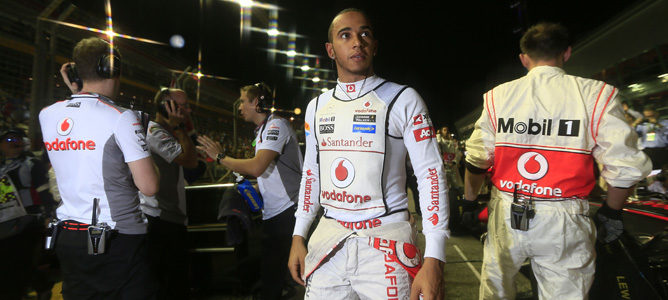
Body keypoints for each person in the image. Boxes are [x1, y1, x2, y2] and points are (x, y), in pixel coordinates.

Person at [464, 23, 652, 299]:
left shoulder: (497, 97)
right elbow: (627, 167)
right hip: (566, 217)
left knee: (496, 290)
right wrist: (611, 213)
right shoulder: (596, 95)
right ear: (566, 53)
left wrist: (469, 202)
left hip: (507, 211)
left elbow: (476, 159)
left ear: (524, 58)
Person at [287, 8, 448, 300]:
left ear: (374, 45)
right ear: (330, 50)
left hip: (387, 244)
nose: (357, 42)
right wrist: (299, 235)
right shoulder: (316, 107)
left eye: (365, 34)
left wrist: (435, 256)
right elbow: (311, 173)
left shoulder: (403, 98)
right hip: (329, 241)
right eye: (345, 35)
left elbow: (431, 175)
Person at [39, 37, 159, 299]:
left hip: (69, 236)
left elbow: (80, 111)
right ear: (112, 68)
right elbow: (149, 186)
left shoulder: (47, 114)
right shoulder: (122, 117)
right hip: (118, 237)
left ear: (75, 72)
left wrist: (77, 88)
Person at [197, 83, 303, 300]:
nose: (240, 107)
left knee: (277, 277)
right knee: (272, 276)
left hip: (288, 211)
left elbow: (257, 167)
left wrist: (220, 157)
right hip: (275, 213)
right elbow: (267, 173)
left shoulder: (276, 126)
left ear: (256, 102)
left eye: (243, 101)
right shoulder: (264, 129)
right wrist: (255, 187)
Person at [139, 88, 198, 299]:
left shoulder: (165, 132)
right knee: (171, 285)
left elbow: (198, 168)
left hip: (169, 217)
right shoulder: (156, 133)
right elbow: (191, 161)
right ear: (167, 107)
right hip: (161, 219)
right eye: (183, 106)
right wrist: (181, 128)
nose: (189, 110)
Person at [0, 128, 55, 300]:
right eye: (9, 140)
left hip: (28, 220)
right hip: (6, 221)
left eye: (17, 139)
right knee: (13, 260)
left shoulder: (31, 164)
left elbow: (44, 191)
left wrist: (48, 216)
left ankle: (27, 290)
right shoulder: (2, 166)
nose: (15, 143)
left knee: (20, 259)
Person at [632, 104, 668, 170]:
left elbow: (666, 132)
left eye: (651, 116)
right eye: (646, 116)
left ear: (657, 113)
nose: (649, 118)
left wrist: (657, 124)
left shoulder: (665, 122)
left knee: (663, 171)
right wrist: (635, 124)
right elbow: (631, 133)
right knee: (650, 170)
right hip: (647, 151)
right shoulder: (643, 125)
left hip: (661, 150)